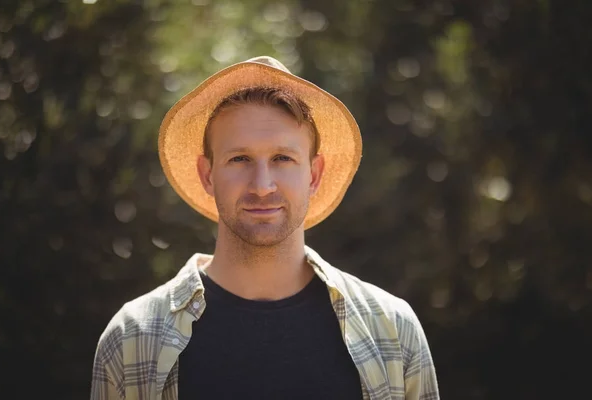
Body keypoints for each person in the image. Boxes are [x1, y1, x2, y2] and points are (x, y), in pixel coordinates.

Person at [90, 56, 439, 400]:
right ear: (207, 175)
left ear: (314, 175)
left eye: (282, 158)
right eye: (239, 159)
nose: (262, 185)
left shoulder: (393, 331)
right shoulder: (132, 339)